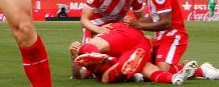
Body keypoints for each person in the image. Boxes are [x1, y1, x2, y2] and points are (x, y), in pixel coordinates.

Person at [120, 0, 219, 81]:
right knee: (146, 64)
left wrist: (139, 25)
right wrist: (133, 23)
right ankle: (187, 68)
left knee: (161, 70)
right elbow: (154, 16)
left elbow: (167, 23)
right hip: (162, 36)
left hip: (174, 35)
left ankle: (204, 71)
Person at [70, 23, 198, 84]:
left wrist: (74, 55)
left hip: (121, 39)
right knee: (150, 69)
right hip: (139, 44)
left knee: (104, 76)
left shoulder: (102, 32)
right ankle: (175, 78)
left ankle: (107, 60)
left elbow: (78, 73)